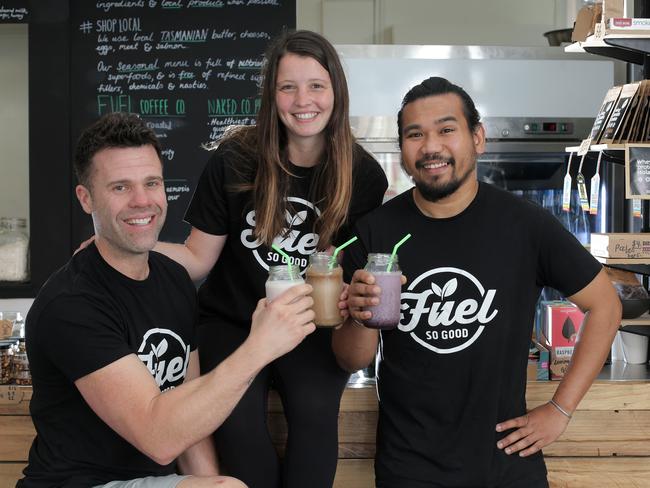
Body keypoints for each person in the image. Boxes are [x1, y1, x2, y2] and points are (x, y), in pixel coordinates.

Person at [332, 77, 622, 488]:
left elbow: (606, 305)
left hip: (505, 466)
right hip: (408, 469)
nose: (431, 146)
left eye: (447, 129)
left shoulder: (525, 225)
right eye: (416, 135)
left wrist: (560, 409)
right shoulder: (377, 234)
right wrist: (360, 316)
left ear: (478, 138)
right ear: (403, 150)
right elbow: (351, 359)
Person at [18, 112, 316, 488]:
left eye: (152, 183)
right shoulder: (72, 305)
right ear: (86, 198)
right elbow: (159, 438)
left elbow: (189, 412)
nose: (142, 201)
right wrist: (259, 347)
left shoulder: (174, 280)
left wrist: (210, 480)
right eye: (120, 187)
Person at [153, 30, 388, 488]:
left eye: (316, 85)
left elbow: (352, 280)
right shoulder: (236, 160)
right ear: (272, 95)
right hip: (233, 322)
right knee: (238, 427)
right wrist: (126, 250)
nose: (304, 100)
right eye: (288, 87)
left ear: (336, 92)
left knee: (315, 415)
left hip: (313, 325)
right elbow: (198, 258)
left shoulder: (362, 174)